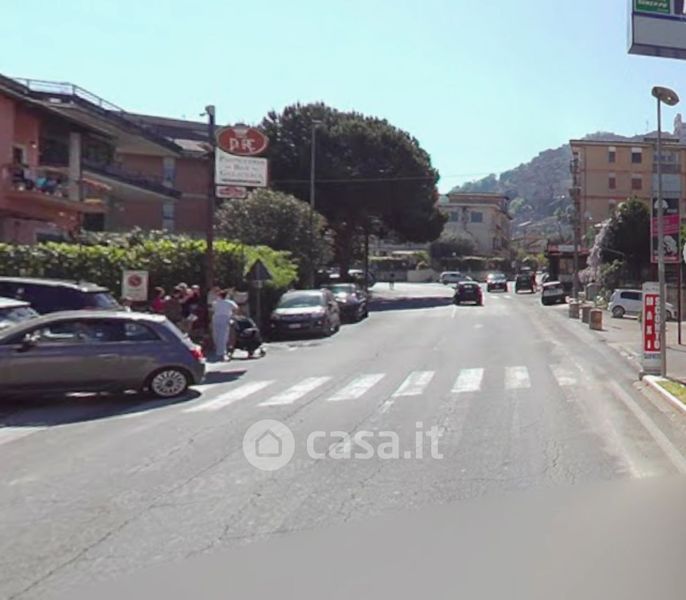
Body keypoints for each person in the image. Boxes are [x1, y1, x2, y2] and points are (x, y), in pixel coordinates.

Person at [212, 290, 238, 361]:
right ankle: (221, 352)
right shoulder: (229, 302)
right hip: (225, 318)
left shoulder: (215, 302)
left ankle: (219, 351)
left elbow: (213, 309)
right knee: (223, 335)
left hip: (216, 318)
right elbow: (236, 308)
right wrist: (232, 315)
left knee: (217, 335)